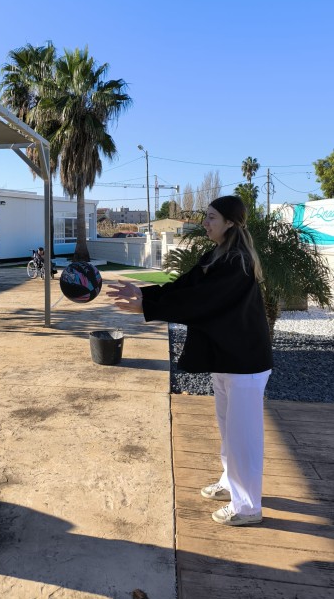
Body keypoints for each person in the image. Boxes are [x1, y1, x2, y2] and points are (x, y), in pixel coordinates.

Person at [107, 196, 273, 526]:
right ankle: (231, 484)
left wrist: (147, 307)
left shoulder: (237, 262)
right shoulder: (217, 255)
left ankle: (248, 507)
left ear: (229, 222)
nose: (205, 223)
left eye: (211, 217)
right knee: (229, 432)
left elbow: (200, 301)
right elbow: (185, 287)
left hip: (245, 363)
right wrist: (143, 294)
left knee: (243, 438)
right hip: (227, 359)